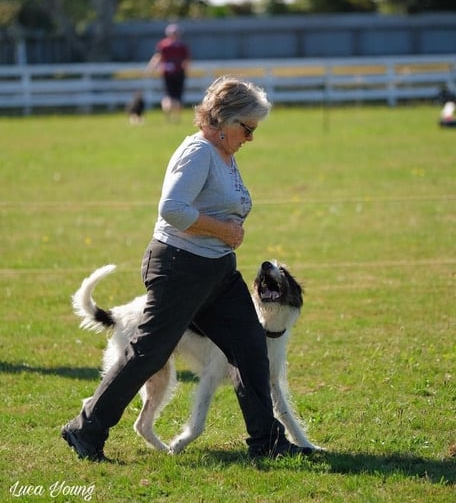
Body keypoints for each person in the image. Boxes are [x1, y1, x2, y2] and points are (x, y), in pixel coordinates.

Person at [61, 76, 314, 462]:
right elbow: (172, 208)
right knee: (148, 353)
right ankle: (86, 430)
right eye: (247, 128)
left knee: (250, 350)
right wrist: (223, 229)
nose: (251, 137)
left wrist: (228, 233)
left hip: (217, 272)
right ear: (224, 119)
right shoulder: (198, 152)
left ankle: (267, 441)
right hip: (179, 267)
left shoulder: (225, 155)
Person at [147, 23, 190, 121]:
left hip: (168, 72)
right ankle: (176, 117)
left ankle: (169, 115)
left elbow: (157, 57)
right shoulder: (182, 45)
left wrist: (151, 68)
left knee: (169, 95)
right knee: (177, 96)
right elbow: (186, 61)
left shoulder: (163, 44)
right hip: (178, 73)